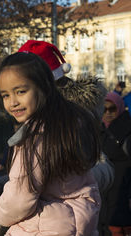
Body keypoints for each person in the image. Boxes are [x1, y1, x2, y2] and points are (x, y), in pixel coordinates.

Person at [0, 52, 101, 235]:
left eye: (20, 91)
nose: (12, 102)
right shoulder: (70, 123)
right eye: (5, 95)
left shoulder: (35, 137)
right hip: (80, 222)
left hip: (47, 227)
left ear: (43, 88)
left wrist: (0, 215)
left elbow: (19, 199)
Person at [18, 40, 114, 194]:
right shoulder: (35, 109)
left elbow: (100, 168)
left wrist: (65, 184)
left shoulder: (75, 113)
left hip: (78, 204)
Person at [100, 92, 131, 236]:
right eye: (104, 109)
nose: (108, 113)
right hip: (108, 193)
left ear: (120, 108)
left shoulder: (130, 130)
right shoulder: (99, 128)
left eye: (112, 109)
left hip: (125, 192)